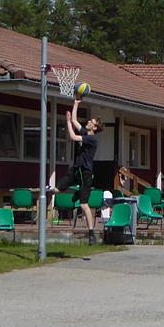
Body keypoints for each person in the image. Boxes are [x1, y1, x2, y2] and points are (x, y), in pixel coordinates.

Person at [65, 96, 101, 240]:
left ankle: (91, 233)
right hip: (78, 169)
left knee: (84, 205)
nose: (88, 122)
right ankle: (77, 193)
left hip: (86, 172)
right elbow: (75, 121)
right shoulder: (86, 133)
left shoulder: (91, 139)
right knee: (63, 186)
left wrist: (67, 122)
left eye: (91, 122)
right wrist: (76, 103)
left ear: (95, 127)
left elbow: (73, 136)